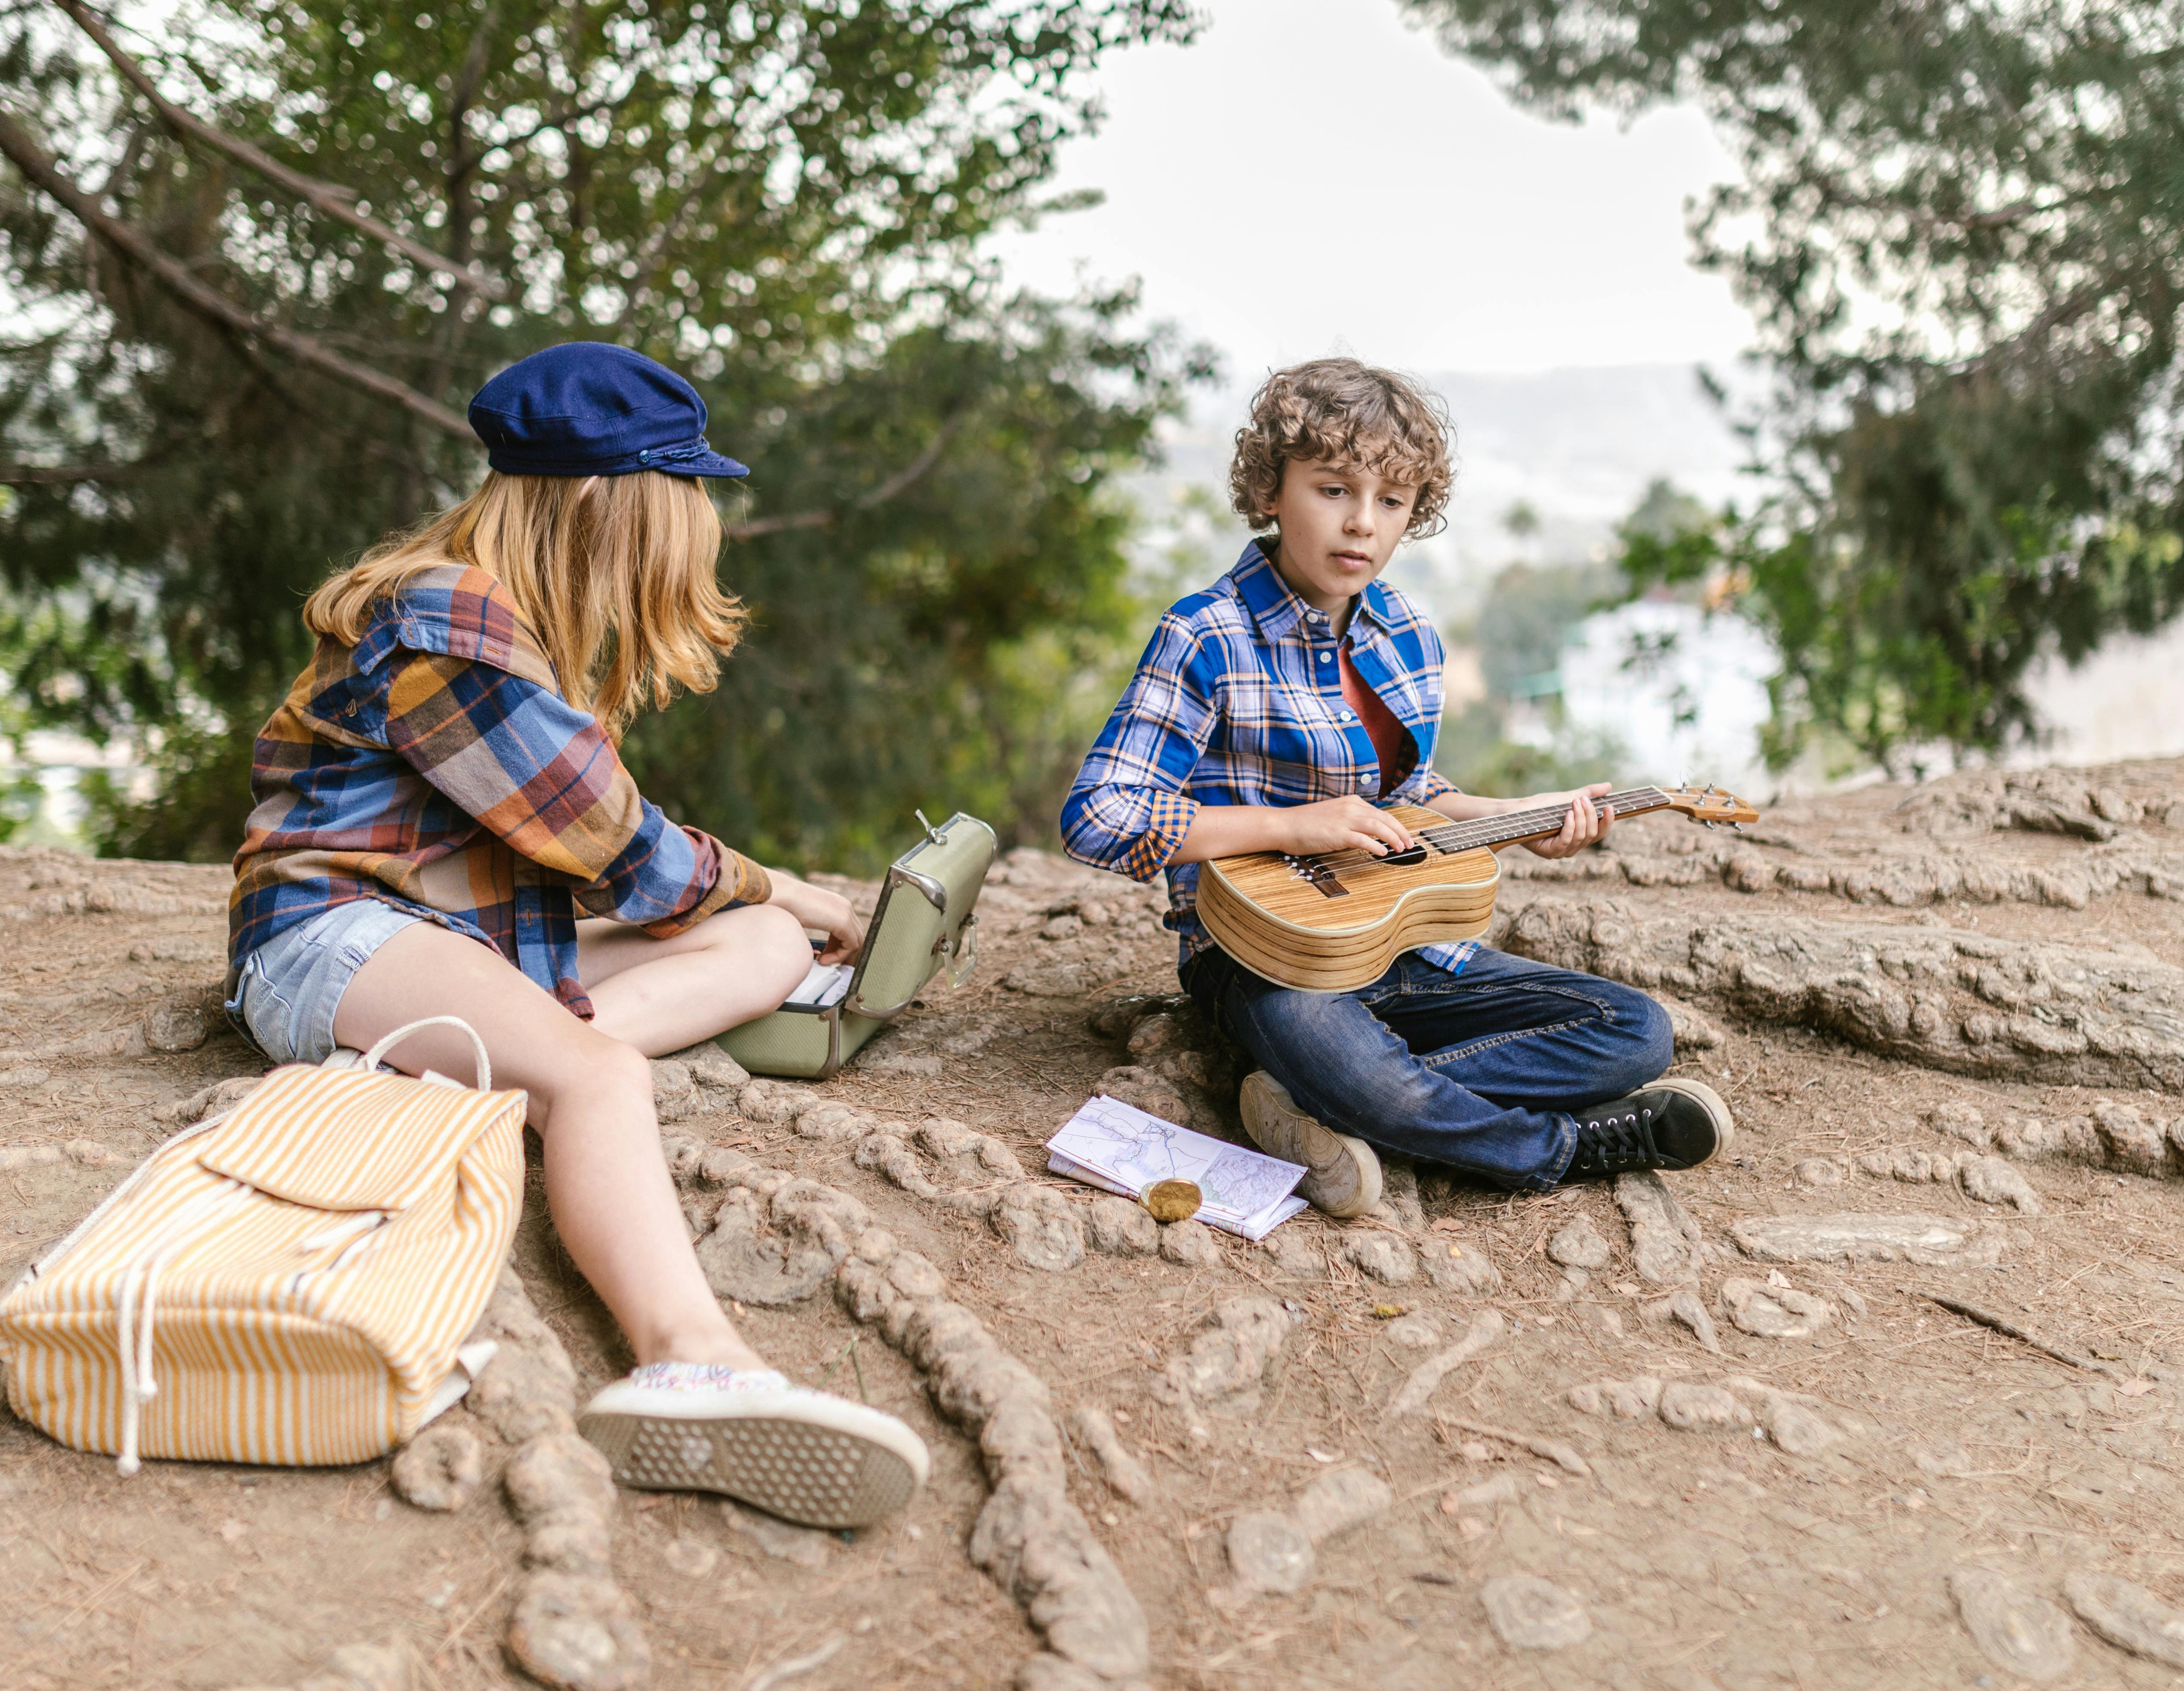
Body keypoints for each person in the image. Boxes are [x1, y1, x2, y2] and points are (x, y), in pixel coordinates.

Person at [226, 341, 926, 1529]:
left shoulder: (494, 612)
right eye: (684, 489)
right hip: (334, 944)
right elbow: (613, 847)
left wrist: (771, 908)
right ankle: (691, 1363)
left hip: (459, 942)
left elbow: (593, 852)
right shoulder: (445, 615)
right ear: (606, 497)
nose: (696, 517)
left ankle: (465, 1085)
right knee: (605, 1069)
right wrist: (778, 883)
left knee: (764, 952)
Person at [1060, 358, 1731, 1217]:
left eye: (1391, 502)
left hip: (1402, 942)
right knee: (1334, 1048)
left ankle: (1322, 1106)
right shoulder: (1206, 634)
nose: (1361, 525)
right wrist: (1297, 828)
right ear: (1270, 489)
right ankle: (1555, 1147)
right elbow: (1097, 815)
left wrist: (1510, 820)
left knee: (1637, 1032)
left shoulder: (1408, 635)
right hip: (1266, 961)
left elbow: (1409, 795)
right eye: (1333, 490)